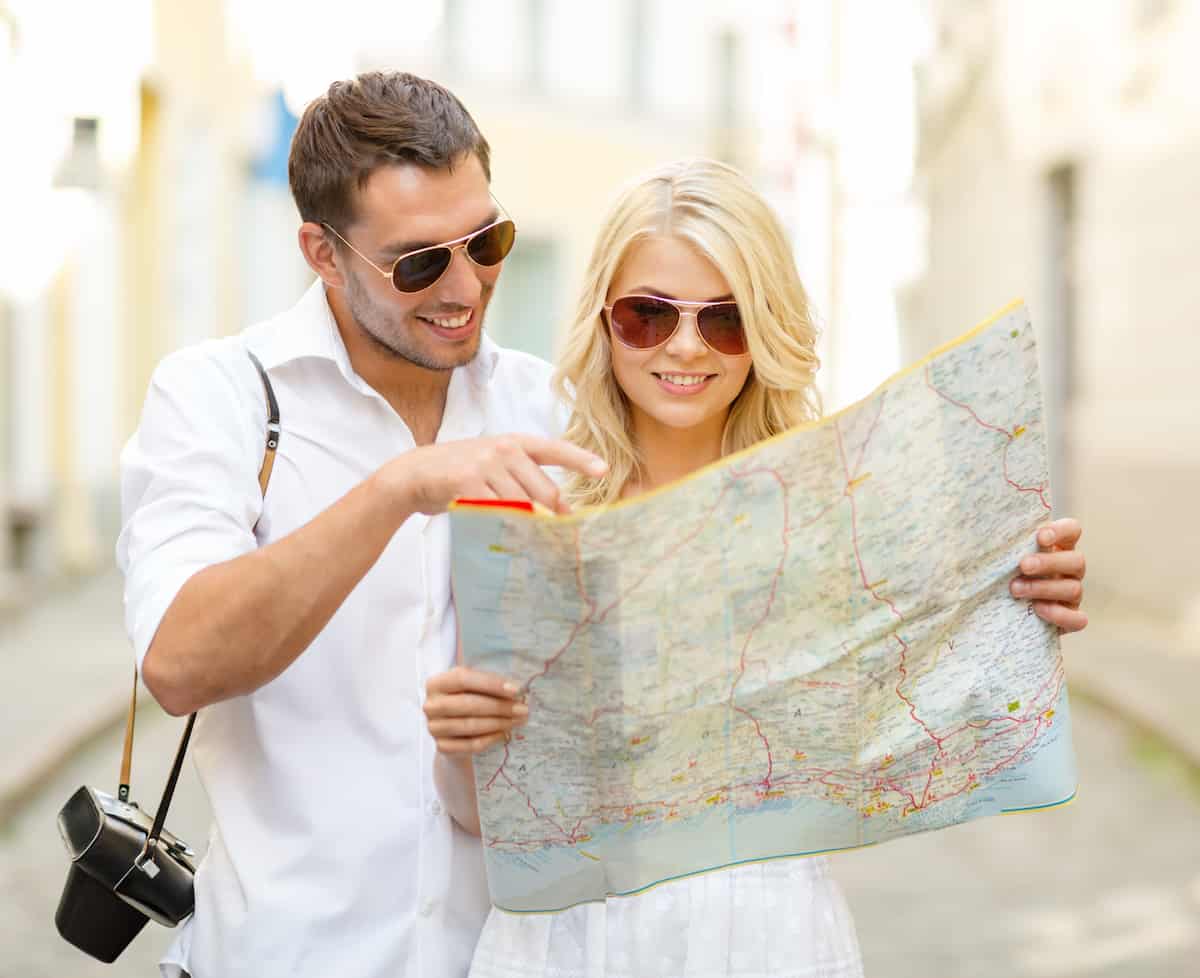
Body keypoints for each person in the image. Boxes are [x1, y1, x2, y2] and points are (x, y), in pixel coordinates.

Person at [423, 159, 1089, 978]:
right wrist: (460, 747)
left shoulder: (834, 520)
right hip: (571, 946)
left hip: (766, 939)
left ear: (765, 328)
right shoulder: (534, 521)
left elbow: (921, 728)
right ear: (603, 321)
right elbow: (480, 817)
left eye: (725, 319)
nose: (685, 347)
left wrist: (1020, 602)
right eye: (647, 314)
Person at [116, 71, 607, 978]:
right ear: (323, 251)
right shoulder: (219, 396)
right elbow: (181, 666)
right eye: (421, 261)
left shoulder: (548, 406)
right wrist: (398, 490)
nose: (467, 285)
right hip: (283, 956)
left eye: (487, 240)